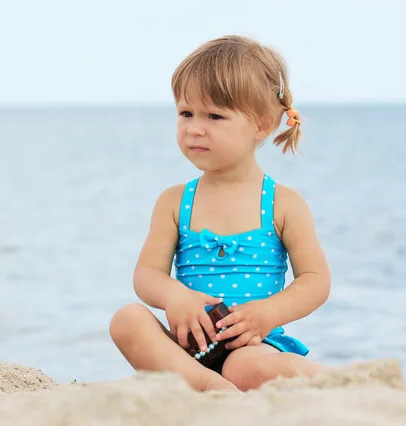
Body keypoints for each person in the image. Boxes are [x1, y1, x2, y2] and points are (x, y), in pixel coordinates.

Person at [109, 35, 331, 392]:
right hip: (186, 349)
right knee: (126, 321)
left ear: (261, 125)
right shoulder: (175, 201)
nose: (194, 127)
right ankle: (209, 387)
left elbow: (315, 280)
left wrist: (267, 314)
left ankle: (332, 382)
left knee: (244, 366)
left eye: (214, 116)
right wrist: (174, 296)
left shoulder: (282, 203)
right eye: (186, 113)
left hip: (252, 345)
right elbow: (147, 274)